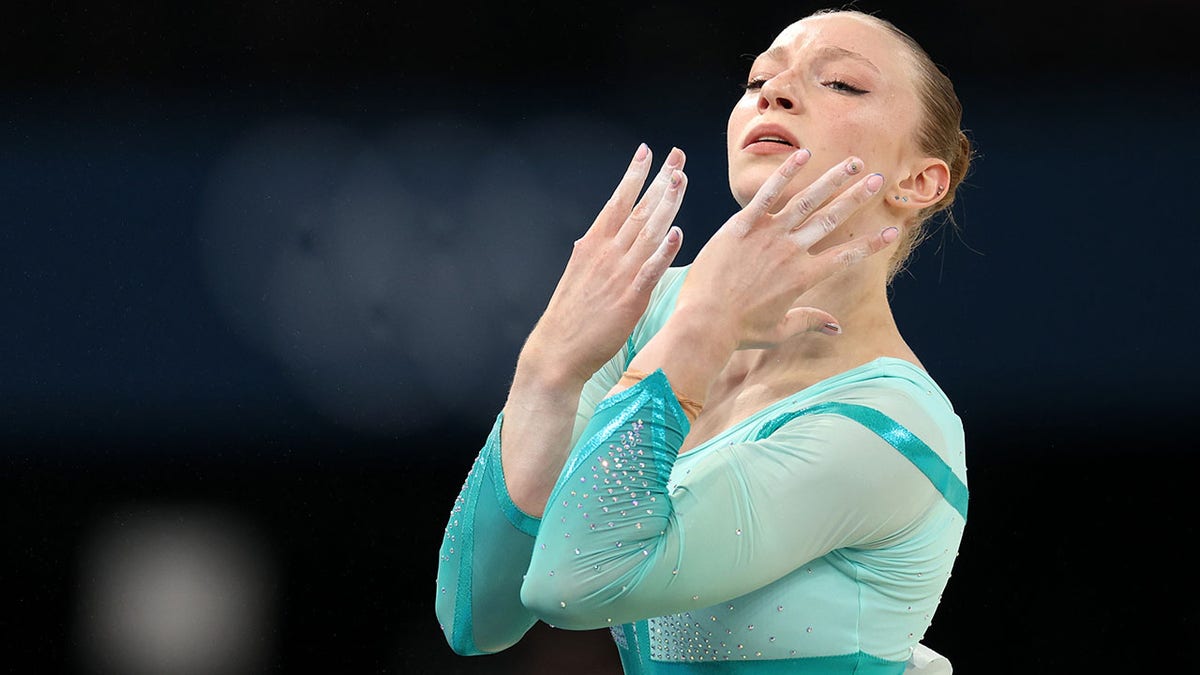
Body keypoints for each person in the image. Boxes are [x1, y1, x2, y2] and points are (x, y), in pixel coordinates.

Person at [435, 7, 972, 674]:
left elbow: (570, 585)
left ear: (919, 182)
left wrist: (703, 327)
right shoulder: (654, 312)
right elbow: (475, 616)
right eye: (757, 81)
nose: (774, 93)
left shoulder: (893, 427)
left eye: (840, 83)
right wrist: (546, 368)